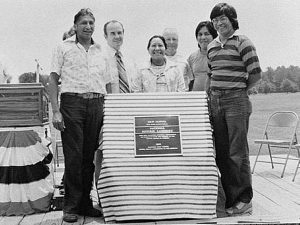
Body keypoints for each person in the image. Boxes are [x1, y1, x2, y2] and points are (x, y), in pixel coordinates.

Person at [48, 8, 111, 223]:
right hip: (72, 103)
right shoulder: (63, 47)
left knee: (88, 158)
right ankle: (71, 206)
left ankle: (85, 203)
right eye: (83, 22)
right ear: (75, 26)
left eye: (92, 22)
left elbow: (108, 82)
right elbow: (53, 79)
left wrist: (110, 109)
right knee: (73, 157)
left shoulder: (102, 50)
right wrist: (56, 111)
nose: (88, 26)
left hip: (96, 103)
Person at [207, 3, 262, 216]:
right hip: (215, 102)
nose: (219, 23)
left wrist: (238, 90)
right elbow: (213, 73)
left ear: (232, 20)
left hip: (236, 101)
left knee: (237, 152)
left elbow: (256, 74)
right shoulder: (212, 46)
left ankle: (244, 199)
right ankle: (231, 198)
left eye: (223, 19)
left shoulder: (243, 42)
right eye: (215, 20)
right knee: (221, 152)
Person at [187, 21, 217, 91]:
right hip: (196, 98)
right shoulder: (192, 57)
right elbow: (189, 81)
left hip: (216, 97)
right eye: (200, 34)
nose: (203, 37)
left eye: (206, 34)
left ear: (214, 36)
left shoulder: (219, 55)